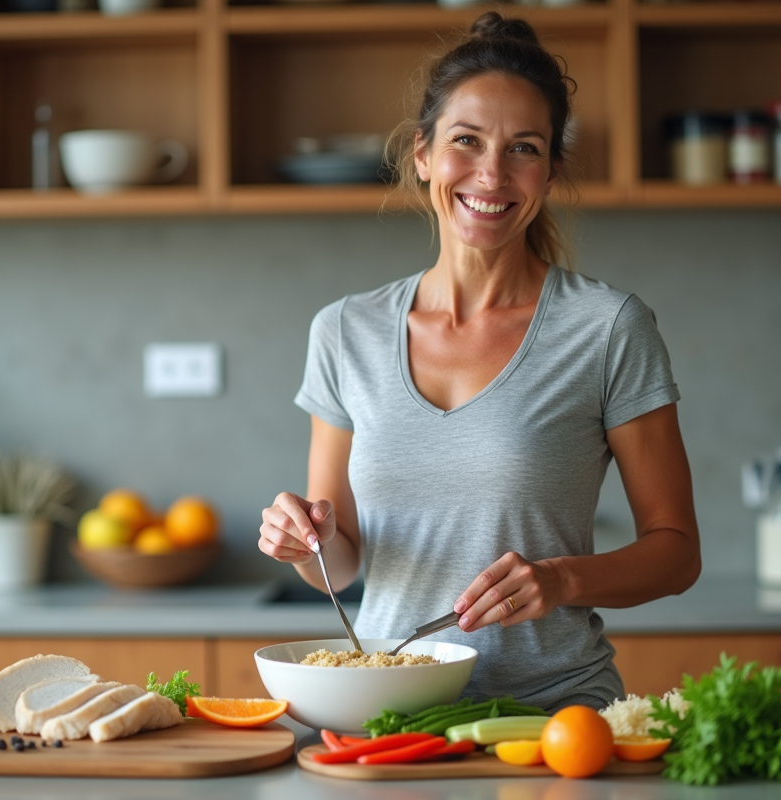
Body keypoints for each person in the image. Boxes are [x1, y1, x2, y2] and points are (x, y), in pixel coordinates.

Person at [258, 11, 700, 712]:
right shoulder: (345, 331)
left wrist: (561, 580)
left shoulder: (609, 328)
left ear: (551, 171)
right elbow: (338, 569)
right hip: (385, 713)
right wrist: (303, 539)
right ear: (423, 153)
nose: (492, 174)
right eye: (466, 141)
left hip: (554, 716)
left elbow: (677, 552)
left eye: (524, 148)